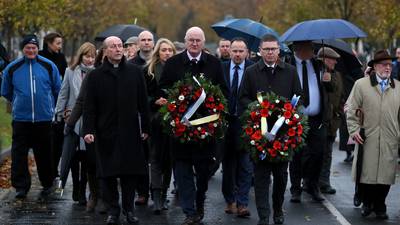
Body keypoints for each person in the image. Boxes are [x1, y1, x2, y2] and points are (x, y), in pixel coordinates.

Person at [158, 26, 228, 225]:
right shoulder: (173, 63)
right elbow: (163, 89)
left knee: (203, 173)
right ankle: (190, 212)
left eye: (198, 40)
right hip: (180, 128)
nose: (194, 43)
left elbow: (223, 90)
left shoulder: (214, 64)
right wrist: (171, 101)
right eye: (191, 40)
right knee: (182, 171)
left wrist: (214, 104)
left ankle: (199, 203)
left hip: (206, 130)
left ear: (203, 42)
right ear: (185, 41)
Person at [83, 36, 150, 225]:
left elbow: (143, 103)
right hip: (105, 132)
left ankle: (129, 210)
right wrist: (88, 130)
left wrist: (145, 127)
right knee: (108, 174)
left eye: (120, 46)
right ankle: (113, 210)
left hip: (129, 132)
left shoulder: (135, 72)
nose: (118, 49)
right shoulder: (95, 76)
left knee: (129, 173)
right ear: (105, 51)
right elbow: (90, 106)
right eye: (113, 46)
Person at [239, 34, 302, 225]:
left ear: (279, 50)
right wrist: (258, 110)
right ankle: (264, 216)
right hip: (259, 133)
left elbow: (299, 97)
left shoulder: (290, 71)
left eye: (273, 49)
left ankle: (277, 210)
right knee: (261, 177)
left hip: (284, 133)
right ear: (260, 51)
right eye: (266, 49)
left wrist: (289, 113)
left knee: (282, 177)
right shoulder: (251, 72)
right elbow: (243, 97)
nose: (270, 52)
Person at [1, 34, 61, 200]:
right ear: (23, 49)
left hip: (44, 119)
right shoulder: (12, 68)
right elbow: (6, 91)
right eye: (28, 47)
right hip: (21, 119)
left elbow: (57, 89)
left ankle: (47, 184)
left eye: (34, 47)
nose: (31, 50)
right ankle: (21, 187)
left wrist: (53, 109)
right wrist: (20, 101)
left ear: (37, 48)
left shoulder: (48, 66)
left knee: (44, 153)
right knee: (19, 154)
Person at [346, 49, 399, 220]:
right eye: (384, 65)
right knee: (367, 173)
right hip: (367, 136)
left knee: (386, 173)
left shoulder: (398, 87)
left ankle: (380, 204)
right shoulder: (361, 85)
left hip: (390, 137)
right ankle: (367, 202)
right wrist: (354, 130)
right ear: (375, 67)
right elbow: (351, 109)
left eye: (390, 65)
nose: (388, 68)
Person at [55, 42, 96, 206]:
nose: (90, 60)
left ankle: (83, 189)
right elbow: (63, 93)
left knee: (87, 158)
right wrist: (59, 113)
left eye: (93, 56)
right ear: (81, 56)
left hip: (89, 122)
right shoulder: (70, 72)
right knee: (72, 157)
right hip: (72, 119)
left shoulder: (97, 73)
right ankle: (74, 186)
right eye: (87, 56)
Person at [288, 41, 329, 203]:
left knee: (318, 153)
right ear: (299, 49)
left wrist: (328, 80)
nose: (314, 51)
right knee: (296, 155)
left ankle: (313, 185)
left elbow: (329, 89)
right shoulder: (288, 65)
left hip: (317, 119)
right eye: (310, 49)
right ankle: (296, 189)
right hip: (297, 119)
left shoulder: (319, 65)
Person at [220, 37, 254, 217]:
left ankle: (242, 203)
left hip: (245, 123)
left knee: (246, 165)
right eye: (235, 50)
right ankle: (230, 200)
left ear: (247, 52)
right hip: (226, 124)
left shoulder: (253, 69)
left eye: (241, 51)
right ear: (229, 51)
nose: (238, 54)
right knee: (228, 165)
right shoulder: (222, 68)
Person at [143, 38, 176, 214]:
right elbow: (142, 96)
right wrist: (155, 101)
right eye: (164, 50)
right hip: (155, 119)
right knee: (155, 157)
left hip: (174, 120)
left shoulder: (179, 70)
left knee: (169, 160)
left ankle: (163, 194)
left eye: (170, 50)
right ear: (158, 52)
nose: (167, 53)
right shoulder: (148, 71)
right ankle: (155, 196)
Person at [39, 32, 68, 179]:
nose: (59, 46)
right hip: (43, 101)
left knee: (57, 139)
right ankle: (45, 169)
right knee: (45, 140)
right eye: (57, 43)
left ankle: (54, 168)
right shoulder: (39, 56)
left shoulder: (61, 57)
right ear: (49, 43)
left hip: (57, 101)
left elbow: (65, 78)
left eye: (60, 43)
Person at [316, 47, 343, 195]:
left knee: (328, 153)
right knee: (315, 153)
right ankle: (310, 180)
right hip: (319, 120)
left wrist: (339, 111)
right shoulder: (316, 74)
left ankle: (324, 182)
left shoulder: (337, 75)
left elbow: (340, 95)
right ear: (324, 60)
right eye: (332, 59)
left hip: (333, 121)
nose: (335, 62)